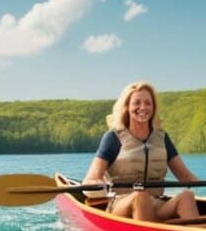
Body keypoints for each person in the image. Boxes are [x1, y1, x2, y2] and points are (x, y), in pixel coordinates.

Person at [83, 81, 200, 222]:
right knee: (140, 195)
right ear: (127, 107)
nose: (143, 107)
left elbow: (185, 177)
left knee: (187, 196)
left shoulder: (162, 138)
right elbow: (90, 178)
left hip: (156, 204)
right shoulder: (113, 138)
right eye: (137, 103)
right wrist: (96, 183)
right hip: (121, 206)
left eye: (148, 103)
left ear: (153, 107)